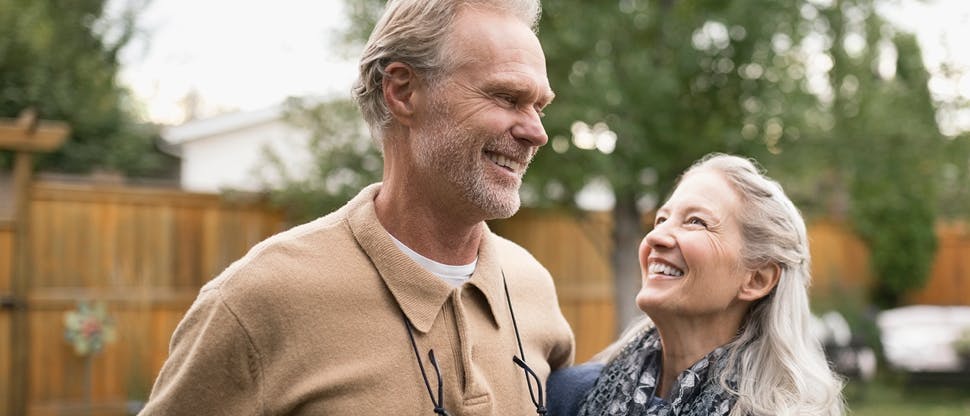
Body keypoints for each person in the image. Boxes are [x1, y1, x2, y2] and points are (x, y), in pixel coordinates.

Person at [140, 0, 574, 414]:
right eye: (506, 97)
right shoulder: (259, 302)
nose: (537, 133)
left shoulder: (530, 286)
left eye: (539, 106)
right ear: (402, 91)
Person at [548, 153, 844, 416]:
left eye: (696, 222)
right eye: (661, 219)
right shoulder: (570, 397)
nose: (655, 237)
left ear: (757, 279)